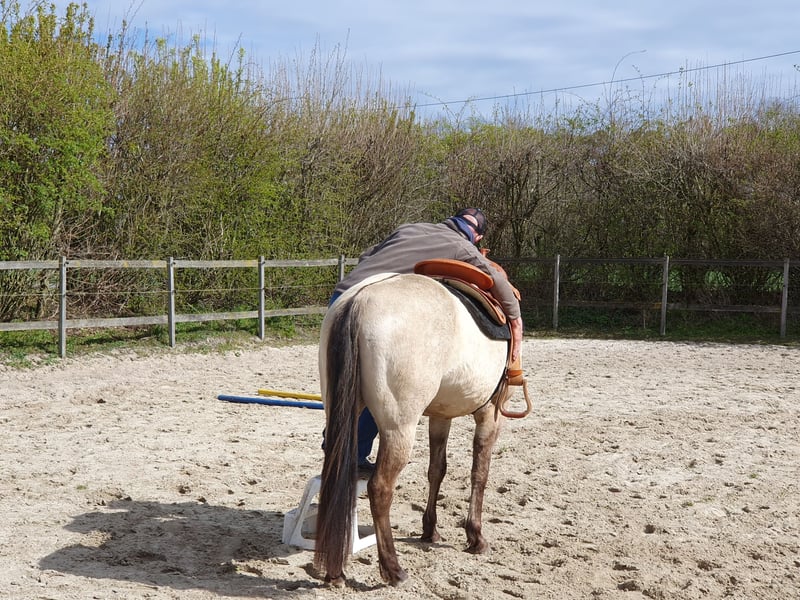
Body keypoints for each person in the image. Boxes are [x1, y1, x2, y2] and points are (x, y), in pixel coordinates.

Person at [327, 208, 523, 475]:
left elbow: (366, 256)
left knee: (347, 384)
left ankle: (337, 441)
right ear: (477, 237)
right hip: (383, 309)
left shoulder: (409, 228)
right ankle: (357, 453)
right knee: (383, 387)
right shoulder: (461, 246)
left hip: (342, 298)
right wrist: (515, 319)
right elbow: (496, 278)